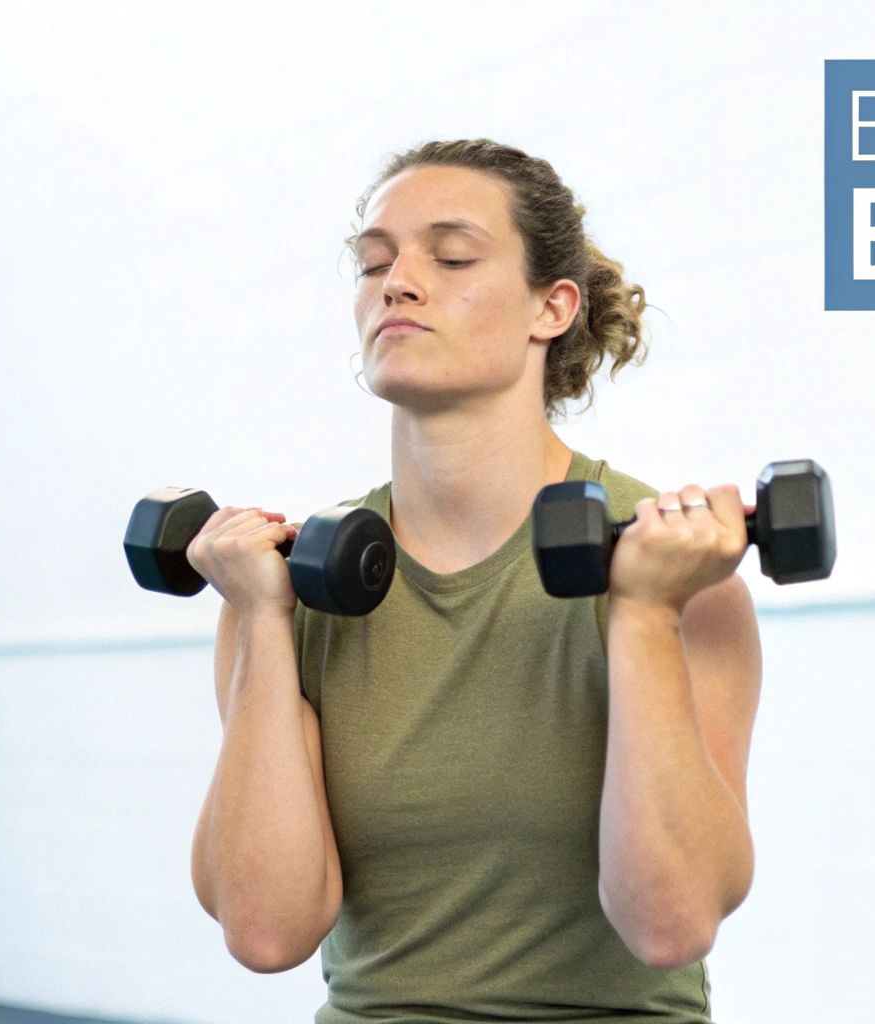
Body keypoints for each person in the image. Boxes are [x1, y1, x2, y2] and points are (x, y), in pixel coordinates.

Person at [184, 138, 762, 1024]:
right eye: (374, 263)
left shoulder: (676, 568)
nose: (397, 282)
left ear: (552, 307)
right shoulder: (288, 586)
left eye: (450, 257)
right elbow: (267, 934)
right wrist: (262, 625)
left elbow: (670, 926)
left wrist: (641, 615)